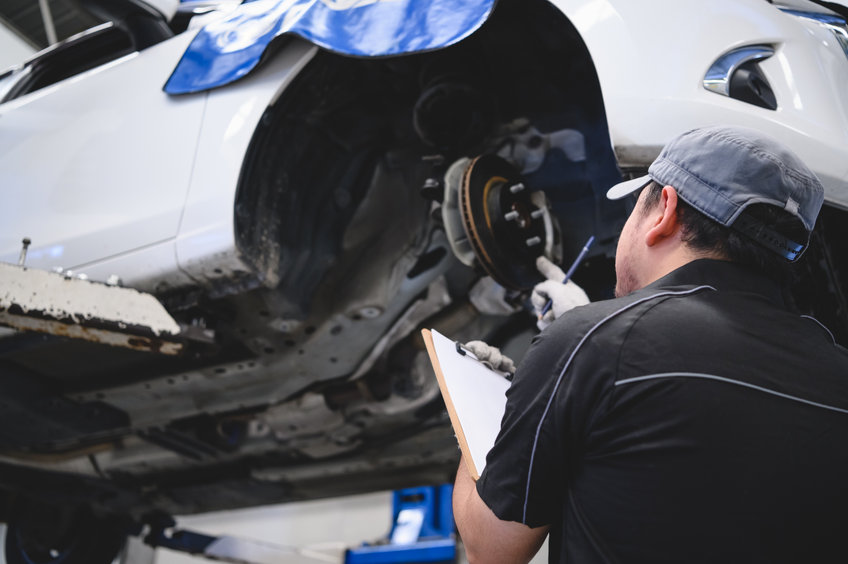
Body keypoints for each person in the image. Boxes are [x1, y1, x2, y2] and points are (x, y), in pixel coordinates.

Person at [453, 125, 848, 563]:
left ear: (664, 211)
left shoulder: (590, 346)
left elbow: (489, 549)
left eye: (635, 205)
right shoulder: (838, 373)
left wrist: (479, 414)